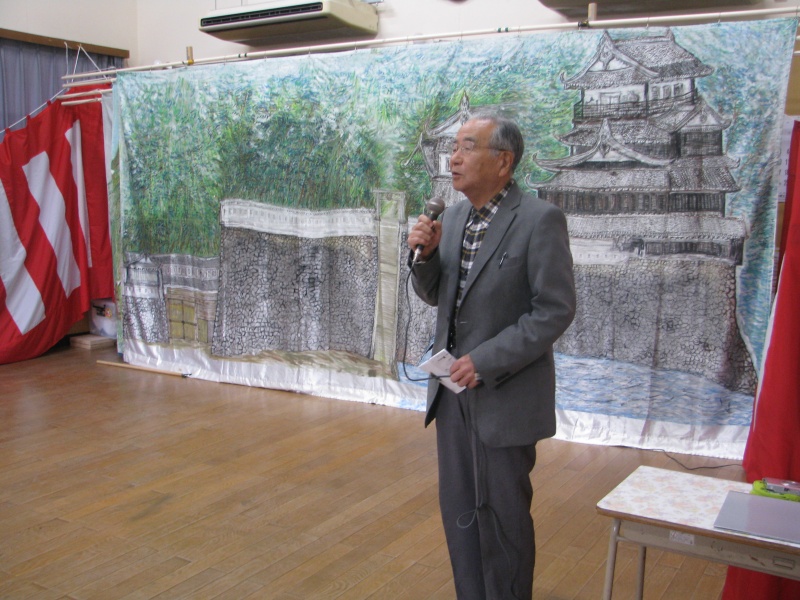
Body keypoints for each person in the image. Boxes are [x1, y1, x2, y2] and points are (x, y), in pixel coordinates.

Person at [407, 111, 576, 600]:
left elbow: (554, 310)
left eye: (467, 147)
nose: (453, 158)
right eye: (453, 147)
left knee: (502, 520)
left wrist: (487, 360)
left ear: (503, 162)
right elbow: (440, 296)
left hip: (505, 397)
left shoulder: (540, 219)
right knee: (460, 514)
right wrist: (425, 257)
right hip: (453, 396)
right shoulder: (454, 216)